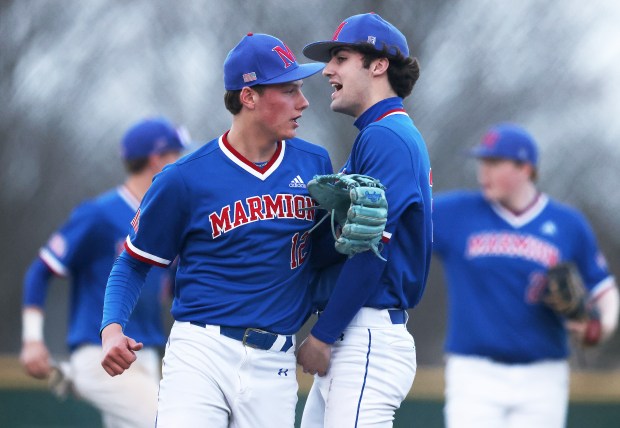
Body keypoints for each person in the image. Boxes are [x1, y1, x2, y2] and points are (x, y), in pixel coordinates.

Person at [99, 33, 330, 427]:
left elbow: (325, 260)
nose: (303, 102)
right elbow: (133, 263)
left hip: (275, 358)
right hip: (201, 350)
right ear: (249, 97)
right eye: (289, 90)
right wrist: (112, 329)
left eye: (301, 89)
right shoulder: (183, 179)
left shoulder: (314, 163)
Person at [432, 123, 620, 428]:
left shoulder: (567, 223)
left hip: (544, 374)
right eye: (482, 162)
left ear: (525, 168)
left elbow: (605, 289)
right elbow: (405, 223)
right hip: (474, 371)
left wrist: (600, 327)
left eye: (494, 163)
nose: (484, 172)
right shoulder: (456, 212)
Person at [297, 13, 433, 427]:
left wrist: (324, 333)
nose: (328, 70)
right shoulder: (380, 134)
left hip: (366, 332)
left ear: (378, 65)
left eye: (340, 57)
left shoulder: (386, 137)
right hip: (356, 330)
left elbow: (372, 249)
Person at [20, 116, 186, 428]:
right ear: (157, 160)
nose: (181, 163)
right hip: (100, 352)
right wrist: (32, 339)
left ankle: (74, 378)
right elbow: (39, 271)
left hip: (147, 354)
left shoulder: (167, 216)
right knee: (172, 423)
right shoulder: (99, 214)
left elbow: (175, 286)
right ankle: (81, 376)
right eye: (176, 154)